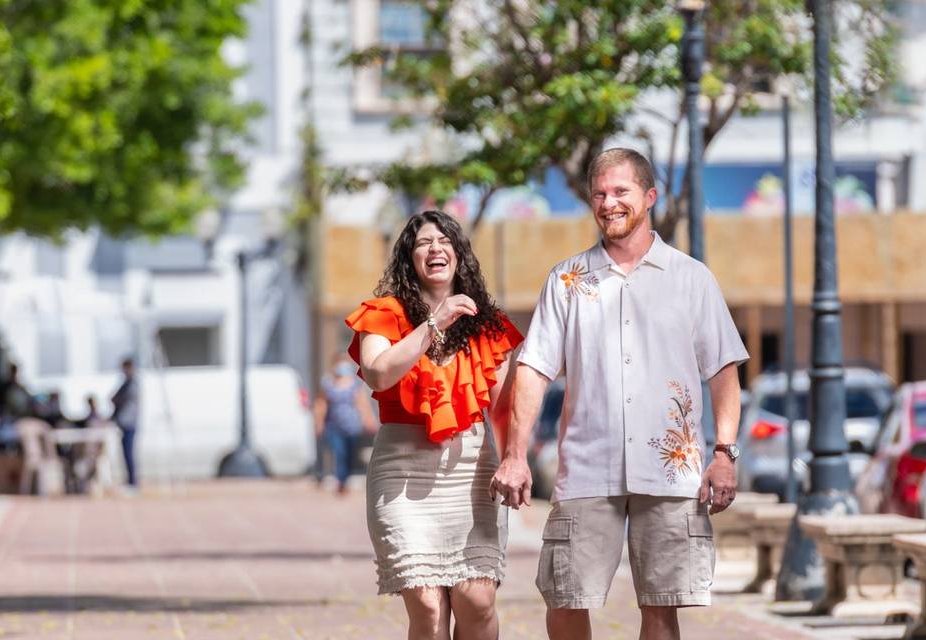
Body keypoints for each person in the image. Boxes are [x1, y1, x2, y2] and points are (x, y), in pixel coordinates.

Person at [490, 148, 749, 640]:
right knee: (565, 599)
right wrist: (516, 455)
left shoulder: (691, 279)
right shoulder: (566, 280)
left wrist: (724, 453)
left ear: (649, 197)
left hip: (672, 472)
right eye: (599, 194)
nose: (609, 203)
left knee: (661, 607)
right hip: (588, 468)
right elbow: (533, 370)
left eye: (621, 191)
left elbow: (722, 371)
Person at [346, 210, 523, 640]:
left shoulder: (487, 323)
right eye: (424, 242)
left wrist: (517, 458)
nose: (435, 248)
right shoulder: (383, 314)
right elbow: (379, 373)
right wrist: (434, 323)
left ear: (459, 255)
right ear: (409, 257)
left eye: (445, 241)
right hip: (402, 471)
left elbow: (505, 407)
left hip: (472, 471)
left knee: (477, 602)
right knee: (427, 607)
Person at [313, 353, 377, 494]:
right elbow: (321, 403)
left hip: (352, 426)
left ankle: (344, 479)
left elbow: (362, 403)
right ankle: (340, 481)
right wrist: (318, 422)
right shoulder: (328, 383)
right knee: (339, 453)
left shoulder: (355, 384)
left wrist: (369, 420)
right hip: (334, 426)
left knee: (349, 455)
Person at [110, 357, 139, 487]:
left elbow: (121, 399)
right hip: (123, 423)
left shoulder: (132, 384)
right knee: (125, 454)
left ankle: (132, 482)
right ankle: (129, 481)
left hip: (129, 423)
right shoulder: (126, 383)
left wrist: (117, 399)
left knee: (129, 453)